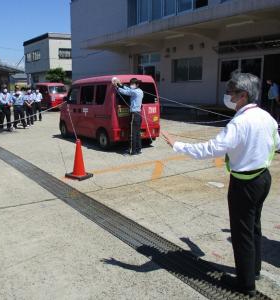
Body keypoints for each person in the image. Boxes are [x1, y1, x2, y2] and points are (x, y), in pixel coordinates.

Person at [161, 72, 280, 297]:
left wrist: (178, 145)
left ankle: (245, 285)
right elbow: (276, 142)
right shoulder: (267, 117)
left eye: (231, 93)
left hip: (244, 183)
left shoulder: (239, 122)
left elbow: (211, 149)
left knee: (241, 233)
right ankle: (253, 271)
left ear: (243, 95)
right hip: (263, 178)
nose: (228, 97)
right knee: (254, 227)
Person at [112, 77, 144, 155]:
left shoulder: (135, 92)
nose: (131, 85)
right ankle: (138, 149)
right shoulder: (140, 91)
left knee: (132, 133)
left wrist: (117, 87)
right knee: (137, 133)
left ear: (137, 84)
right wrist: (120, 84)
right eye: (131, 84)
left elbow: (125, 92)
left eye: (132, 84)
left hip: (134, 114)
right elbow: (128, 89)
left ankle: (132, 151)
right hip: (139, 114)